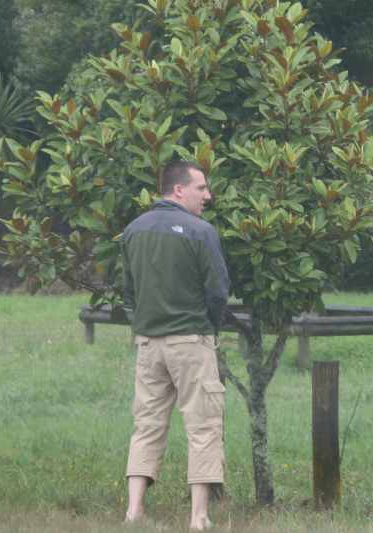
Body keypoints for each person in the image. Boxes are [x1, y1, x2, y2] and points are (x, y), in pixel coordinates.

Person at [121, 161, 230, 530]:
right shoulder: (202, 232)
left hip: (149, 344)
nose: (208, 196)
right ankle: (198, 517)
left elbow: (128, 292)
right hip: (191, 341)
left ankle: (134, 511)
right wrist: (209, 327)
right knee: (203, 426)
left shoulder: (133, 230)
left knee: (147, 424)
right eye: (202, 188)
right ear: (178, 190)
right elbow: (218, 291)